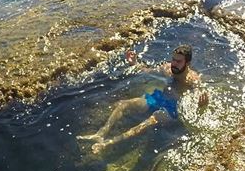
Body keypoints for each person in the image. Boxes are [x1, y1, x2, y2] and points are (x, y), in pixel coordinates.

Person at [79, 44, 209, 154]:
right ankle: (101, 133)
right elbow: (146, 71)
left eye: (178, 61)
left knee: (148, 122)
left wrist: (202, 104)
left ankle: (107, 143)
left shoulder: (192, 80)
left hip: (172, 108)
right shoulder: (168, 69)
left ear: (188, 63)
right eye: (173, 59)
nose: (174, 63)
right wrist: (134, 63)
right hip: (158, 98)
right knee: (123, 104)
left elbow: (198, 96)